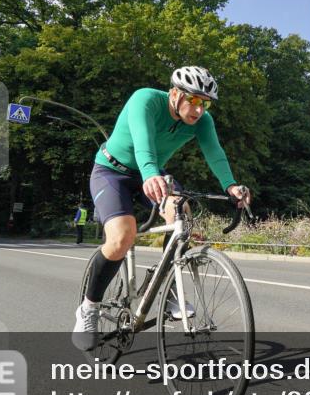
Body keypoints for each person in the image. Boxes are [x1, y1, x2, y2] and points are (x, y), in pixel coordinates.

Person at [72, 66, 251, 351]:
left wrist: (231, 186)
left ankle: (168, 287)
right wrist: (149, 174)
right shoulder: (145, 99)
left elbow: (215, 154)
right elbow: (143, 143)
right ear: (175, 93)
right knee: (122, 236)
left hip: (153, 172)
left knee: (182, 211)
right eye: (193, 100)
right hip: (111, 170)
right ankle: (88, 308)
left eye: (204, 103)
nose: (198, 109)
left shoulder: (202, 122)